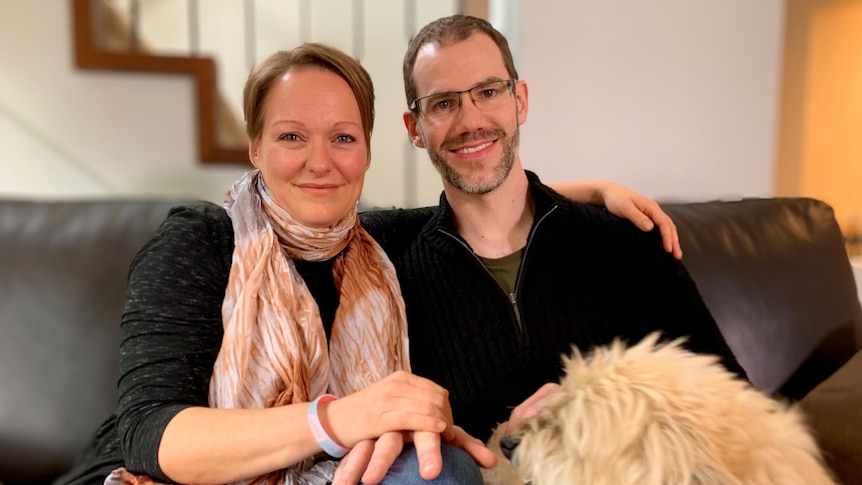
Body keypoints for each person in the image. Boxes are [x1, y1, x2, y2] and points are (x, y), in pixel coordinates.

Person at [55, 42, 682, 485]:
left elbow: (480, 196)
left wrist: (593, 192)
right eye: (292, 136)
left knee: (445, 471)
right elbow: (149, 434)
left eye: (343, 137)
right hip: (156, 478)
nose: (320, 161)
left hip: (327, 477)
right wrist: (340, 419)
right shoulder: (202, 239)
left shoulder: (371, 245)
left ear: (370, 150)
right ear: (255, 146)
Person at [331, 14, 748, 484]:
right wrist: (506, 441)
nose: (471, 121)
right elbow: (287, 217)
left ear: (519, 100)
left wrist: (589, 418)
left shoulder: (626, 242)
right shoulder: (387, 256)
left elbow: (735, 402)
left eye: (488, 92)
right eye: (443, 103)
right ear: (415, 127)